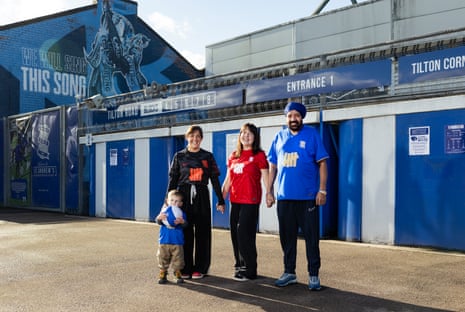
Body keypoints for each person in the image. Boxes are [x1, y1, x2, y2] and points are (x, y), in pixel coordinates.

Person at [266, 101, 328, 291]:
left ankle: (314, 275)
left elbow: (323, 163)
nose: (293, 119)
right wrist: (269, 191)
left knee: (311, 238)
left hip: (308, 197)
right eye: (290, 116)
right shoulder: (279, 136)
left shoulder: (312, 135)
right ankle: (289, 272)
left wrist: (322, 190)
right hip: (285, 198)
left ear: (302, 117)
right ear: (286, 118)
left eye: (296, 115)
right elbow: (273, 166)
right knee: (287, 238)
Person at [167, 125, 226, 279]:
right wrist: (167, 202)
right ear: (187, 138)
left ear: (201, 138)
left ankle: (200, 268)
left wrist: (220, 200)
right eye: (192, 136)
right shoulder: (179, 156)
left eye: (198, 136)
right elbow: (173, 180)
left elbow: (214, 179)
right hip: (183, 196)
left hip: (201, 194)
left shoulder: (207, 156)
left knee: (202, 232)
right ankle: (185, 267)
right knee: (185, 231)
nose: (195, 139)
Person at [222, 123, 270, 281]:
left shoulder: (259, 155)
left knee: (244, 233)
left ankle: (250, 269)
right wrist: (221, 198)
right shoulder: (234, 155)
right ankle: (239, 265)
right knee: (235, 234)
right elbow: (228, 179)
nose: (246, 136)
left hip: (250, 200)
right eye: (243, 133)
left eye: (249, 133)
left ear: (255, 137)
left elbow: (265, 176)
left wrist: (269, 193)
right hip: (235, 200)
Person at [155, 190, 187, 284]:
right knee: (162, 257)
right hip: (164, 240)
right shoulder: (164, 212)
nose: (174, 203)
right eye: (172, 200)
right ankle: (163, 272)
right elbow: (158, 221)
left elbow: (185, 225)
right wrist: (159, 218)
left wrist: (182, 222)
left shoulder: (181, 214)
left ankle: (177, 272)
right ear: (167, 201)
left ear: (181, 203)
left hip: (177, 241)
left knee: (178, 258)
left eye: (177, 201)